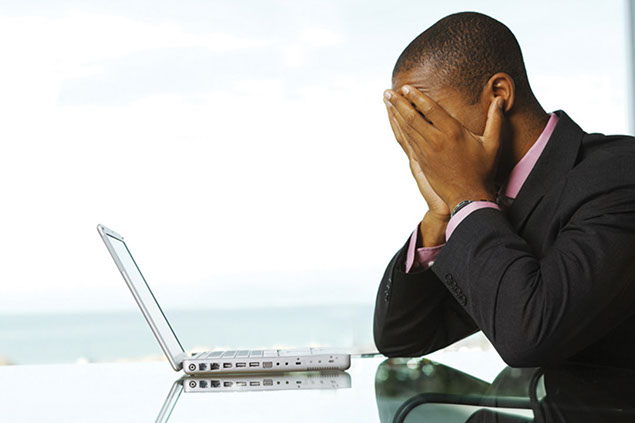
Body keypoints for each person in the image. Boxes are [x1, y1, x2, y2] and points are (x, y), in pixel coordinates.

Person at [373, 11, 635, 368]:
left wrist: (468, 197)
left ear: (499, 94)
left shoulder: (620, 176)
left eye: (428, 120)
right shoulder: (489, 208)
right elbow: (402, 338)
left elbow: (529, 337)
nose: (422, 143)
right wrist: (440, 215)